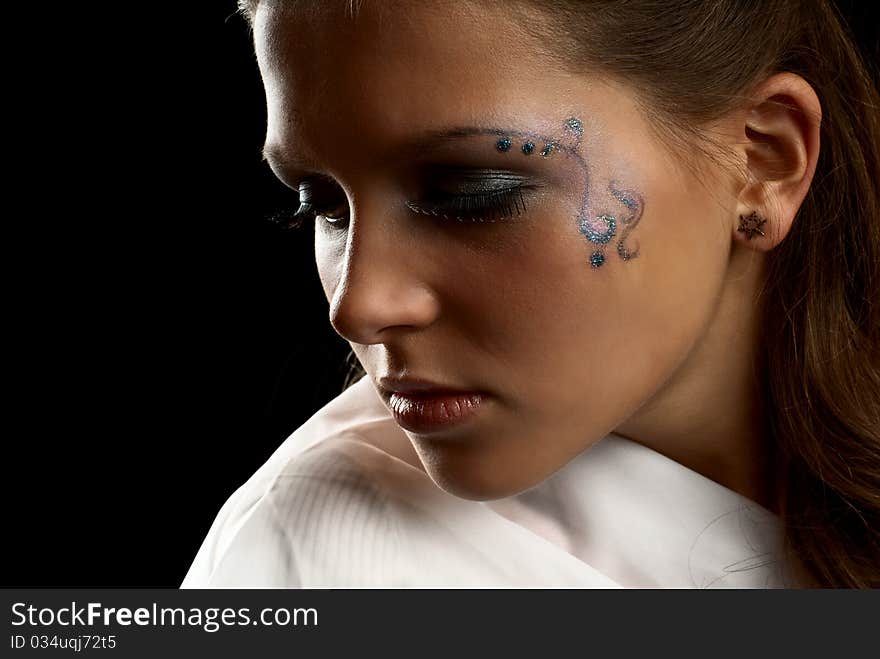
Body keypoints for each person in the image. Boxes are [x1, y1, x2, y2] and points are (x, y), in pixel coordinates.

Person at [182, 0, 880, 588]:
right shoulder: (311, 561)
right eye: (323, 204)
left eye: (469, 194)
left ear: (762, 159)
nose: (358, 304)